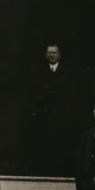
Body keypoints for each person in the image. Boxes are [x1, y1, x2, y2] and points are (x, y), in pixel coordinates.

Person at [28, 44, 84, 176]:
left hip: (61, 116)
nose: (52, 55)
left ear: (59, 55)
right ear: (46, 55)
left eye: (54, 53)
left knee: (61, 144)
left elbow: (71, 94)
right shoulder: (39, 72)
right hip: (44, 116)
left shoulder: (67, 72)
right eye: (49, 53)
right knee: (45, 143)